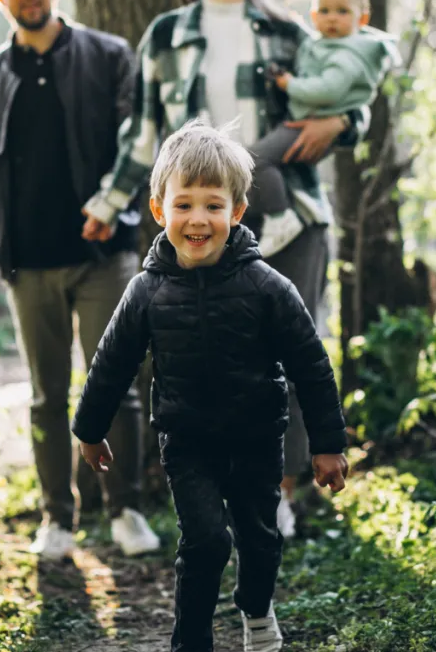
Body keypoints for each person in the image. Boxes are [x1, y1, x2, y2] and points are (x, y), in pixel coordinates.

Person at [81, 0, 362, 537]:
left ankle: (278, 491)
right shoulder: (165, 35)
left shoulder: (288, 32)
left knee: (293, 342)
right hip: (202, 212)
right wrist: (108, 204)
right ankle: (206, 489)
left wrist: (342, 125)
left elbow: (349, 86)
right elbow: (144, 135)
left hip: (293, 210)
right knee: (206, 347)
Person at [72, 120, 350, 652]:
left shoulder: (267, 286)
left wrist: (328, 443)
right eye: (184, 205)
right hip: (187, 440)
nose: (198, 219)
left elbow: (311, 366)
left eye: (213, 206)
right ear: (159, 211)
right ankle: (190, 640)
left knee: (260, 539)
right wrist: (90, 428)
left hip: (256, 438)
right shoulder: (145, 291)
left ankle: (255, 607)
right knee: (204, 540)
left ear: (237, 212)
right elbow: (111, 363)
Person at [0, 0, 160, 560]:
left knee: (117, 385)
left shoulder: (108, 56)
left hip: (105, 256)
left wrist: (113, 208)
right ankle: (57, 520)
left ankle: (124, 511)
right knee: (46, 395)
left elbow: (138, 141)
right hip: (25, 264)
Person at [246, 0, 397, 257]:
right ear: (313, 16)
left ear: (362, 18)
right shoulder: (322, 44)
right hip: (302, 121)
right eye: (324, 10)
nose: (331, 18)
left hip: (308, 124)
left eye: (342, 11)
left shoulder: (348, 55)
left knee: (254, 159)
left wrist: (289, 84)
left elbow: (326, 90)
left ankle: (280, 218)